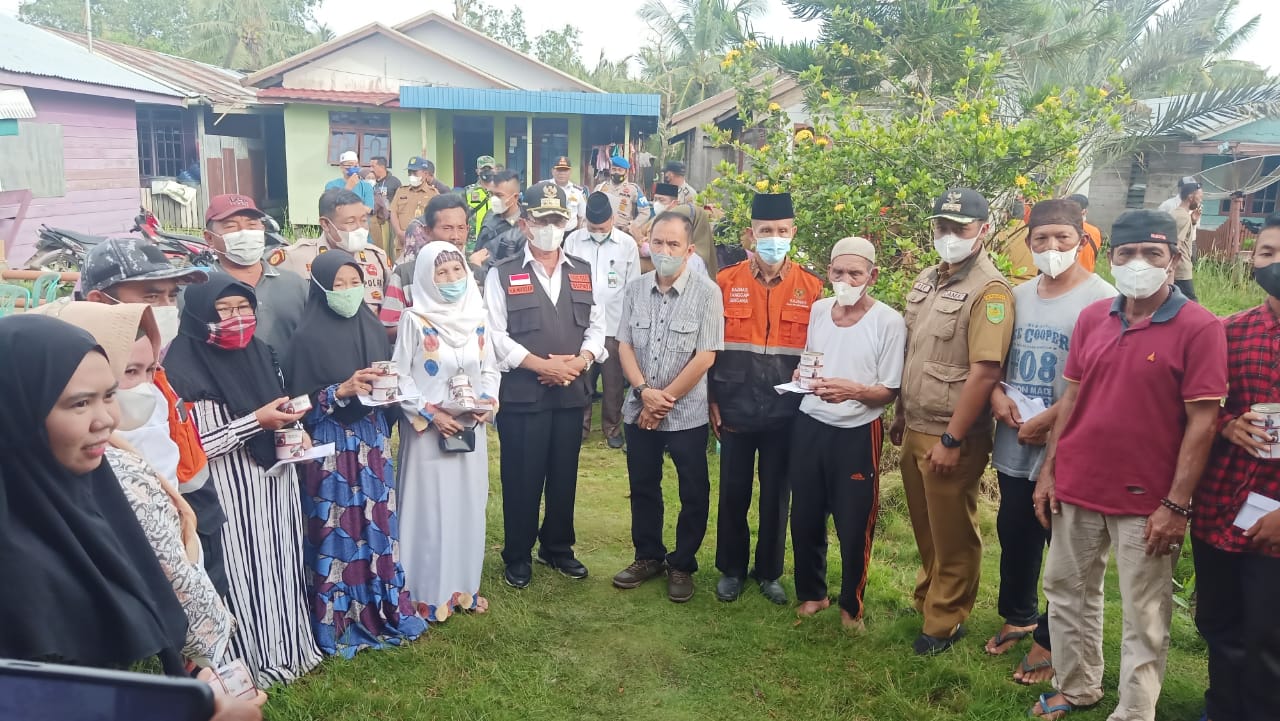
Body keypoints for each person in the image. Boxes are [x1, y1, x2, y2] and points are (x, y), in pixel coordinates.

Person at [1030, 208, 1227, 721]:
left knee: (1144, 610)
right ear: (1111, 258)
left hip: (1149, 499)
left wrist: (1176, 505)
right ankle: (1076, 686)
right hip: (1077, 483)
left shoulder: (1200, 327)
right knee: (1066, 591)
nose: (1138, 262)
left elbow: (1203, 423)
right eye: (1127, 253)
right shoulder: (1093, 318)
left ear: (1173, 259)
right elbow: (1071, 399)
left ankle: (1136, 710)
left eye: (1151, 253)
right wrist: (1049, 472)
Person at [39, 301, 236, 667]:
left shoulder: (121, 445)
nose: (105, 417)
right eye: (81, 402)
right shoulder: (118, 471)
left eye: (151, 370)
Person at [0, 314, 189, 674]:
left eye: (109, 396)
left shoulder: (96, 499)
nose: (106, 419)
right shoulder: (15, 569)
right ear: (15, 411)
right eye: (80, 403)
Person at [164, 276, 323, 687]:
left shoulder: (261, 352)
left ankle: (289, 650)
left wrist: (294, 431)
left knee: (280, 566)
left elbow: (279, 406)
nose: (236, 318)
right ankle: (247, 664)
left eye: (243, 308)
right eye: (224, 310)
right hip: (228, 493)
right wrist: (255, 422)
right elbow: (193, 447)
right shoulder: (179, 366)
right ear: (199, 314)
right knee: (241, 574)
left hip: (276, 485)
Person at [985, 200, 1116, 683]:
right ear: (1029, 242)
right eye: (1041, 238)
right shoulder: (1017, 296)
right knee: (1014, 531)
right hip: (1015, 439)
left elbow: (1101, 381)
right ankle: (1018, 614)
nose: (1052, 246)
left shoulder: (1103, 300)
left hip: (1069, 443)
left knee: (1063, 545)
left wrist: (1051, 419)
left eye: (1063, 237)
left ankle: (1051, 636)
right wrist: (996, 396)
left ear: (1082, 240)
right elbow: (995, 359)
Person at [281, 250, 426, 656]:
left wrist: (388, 389)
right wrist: (338, 391)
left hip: (371, 441)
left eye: (354, 283)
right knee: (336, 526)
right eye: (338, 285)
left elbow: (387, 383)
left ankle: (383, 607)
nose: (347, 291)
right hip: (331, 447)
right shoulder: (304, 340)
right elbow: (294, 405)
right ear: (320, 288)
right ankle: (339, 618)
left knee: (378, 524)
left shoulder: (372, 326)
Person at [889, 188, 1013, 655]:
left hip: (951, 431)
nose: (949, 235)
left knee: (954, 532)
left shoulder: (989, 290)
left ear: (983, 230)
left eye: (960, 228)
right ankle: (929, 597)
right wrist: (901, 412)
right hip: (917, 422)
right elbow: (915, 352)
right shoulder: (929, 278)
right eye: (942, 226)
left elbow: (985, 372)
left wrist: (952, 438)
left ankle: (946, 619)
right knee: (927, 526)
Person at [75, 238, 231, 597]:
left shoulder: (154, 368)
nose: (165, 308)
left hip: (190, 522)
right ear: (100, 301)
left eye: (171, 296)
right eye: (151, 296)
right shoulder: (77, 389)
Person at [484, 181, 607, 589]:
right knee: (522, 477)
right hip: (524, 395)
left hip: (571, 391)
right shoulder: (503, 274)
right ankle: (518, 554)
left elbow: (597, 327)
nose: (550, 228)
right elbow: (495, 335)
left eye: (557, 219)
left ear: (567, 223)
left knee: (563, 475)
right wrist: (541, 365)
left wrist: (581, 361)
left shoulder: (582, 272)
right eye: (542, 220)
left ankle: (557, 547)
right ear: (525, 223)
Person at [709, 192, 824, 605]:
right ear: (750, 234)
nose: (773, 237)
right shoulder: (725, 282)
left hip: (785, 411)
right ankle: (731, 569)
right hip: (735, 404)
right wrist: (712, 399)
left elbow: (818, 351)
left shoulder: (812, 288)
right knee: (733, 492)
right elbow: (710, 347)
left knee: (777, 496)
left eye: (781, 230)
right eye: (765, 231)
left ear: (792, 232)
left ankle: (770, 572)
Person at [789, 237, 906, 631]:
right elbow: (813, 359)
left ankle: (851, 606)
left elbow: (888, 390)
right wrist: (802, 377)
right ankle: (812, 593)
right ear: (828, 272)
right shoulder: (819, 310)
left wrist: (852, 391)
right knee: (805, 515)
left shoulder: (888, 322)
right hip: (810, 422)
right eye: (838, 272)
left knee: (855, 522)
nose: (846, 280)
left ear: (872, 276)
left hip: (857, 430)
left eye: (855, 273)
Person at [1190, 213, 1280, 721]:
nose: (1276, 263)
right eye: (1267, 253)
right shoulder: (1227, 332)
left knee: (1269, 633)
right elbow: (1197, 404)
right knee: (1219, 623)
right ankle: (1221, 709)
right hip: (1221, 504)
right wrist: (1226, 425)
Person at [610, 212, 724, 602]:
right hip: (639, 407)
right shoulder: (636, 289)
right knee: (643, 485)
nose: (664, 251)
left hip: (686, 414)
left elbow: (705, 356)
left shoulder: (707, 293)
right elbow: (624, 344)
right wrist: (644, 392)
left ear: (689, 250)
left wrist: (662, 401)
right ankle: (648, 556)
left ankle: (682, 563)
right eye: (657, 242)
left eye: (673, 244)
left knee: (693, 490)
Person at [394, 241, 500, 621]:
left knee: (467, 505)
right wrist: (431, 412)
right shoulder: (414, 320)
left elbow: (490, 369)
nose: (451, 279)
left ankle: (463, 589)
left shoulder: (478, 317)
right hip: (428, 433)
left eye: (457, 270)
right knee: (429, 509)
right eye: (441, 273)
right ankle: (424, 593)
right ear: (427, 277)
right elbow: (399, 376)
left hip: (469, 430)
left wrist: (487, 402)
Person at [564, 191, 640, 448]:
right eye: (593, 228)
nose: (597, 232)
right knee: (582, 380)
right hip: (581, 325)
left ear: (612, 220)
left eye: (602, 228)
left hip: (614, 325)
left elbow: (633, 288)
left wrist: (629, 328)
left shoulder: (627, 245)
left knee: (613, 383)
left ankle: (612, 428)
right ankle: (580, 427)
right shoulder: (573, 241)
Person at [201, 194, 307, 354]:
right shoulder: (200, 291)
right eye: (231, 226)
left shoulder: (295, 284)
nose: (244, 233)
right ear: (209, 238)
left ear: (263, 230)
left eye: (252, 225)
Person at [271, 189, 390, 316]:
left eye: (363, 220)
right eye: (350, 222)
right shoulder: (295, 258)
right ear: (326, 224)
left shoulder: (377, 258)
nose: (360, 228)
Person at [382, 193, 471, 338]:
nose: (455, 236)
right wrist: (430, 327)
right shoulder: (405, 275)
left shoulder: (475, 274)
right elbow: (389, 329)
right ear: (427, 231)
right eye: (447, 228)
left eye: (461, 228)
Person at [638, 183, 715, 278]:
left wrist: (645, 248)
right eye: (655, 199)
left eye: (661, 200)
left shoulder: (693, 258)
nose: (656, 203)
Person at [473, 169, 527, 277]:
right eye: (491, 194)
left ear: (515, 197)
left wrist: (477, 267)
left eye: (499, 195)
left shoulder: (524, 228)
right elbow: (478, 248)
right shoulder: (489, 215)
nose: (494, 199)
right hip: (478, 279)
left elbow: (518, 271)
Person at [389, 157, 441, 257]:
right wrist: (399, 232)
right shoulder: (401, 191)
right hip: (402, 242)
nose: (411, 175)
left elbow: (438, 218)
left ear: (425, 174)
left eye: (415, 172)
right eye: (409, 172)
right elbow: (393, 212)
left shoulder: (433, 194)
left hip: (424, 243)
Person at [593, 156, 649, 234]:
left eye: (620, 170)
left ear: (626, 172)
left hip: (623, 231)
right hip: (602, 230)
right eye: (614, 169)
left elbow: (645, 212)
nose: (616, 172)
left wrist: (631, 226)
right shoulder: (600, 188)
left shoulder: (634, 189)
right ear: (610, 170)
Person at [1169, 180, 1203, 301]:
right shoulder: (1183, 217)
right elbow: (1175, 245)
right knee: (1192, 304)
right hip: (1181, 270)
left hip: (1178, 269)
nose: (1200, 201)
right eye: (1199, 197)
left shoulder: (1176, 213)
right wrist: (1171, 272)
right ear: (1190, 197)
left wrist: (1192, 222)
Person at [369, 156, 401, 257]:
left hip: (389, 221)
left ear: (382, 167)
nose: (371, 169)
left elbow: (399, 201)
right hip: (373, 220)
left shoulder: (394, 182)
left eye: (373, 166)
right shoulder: (370, 181)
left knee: (389, 247)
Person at [546, 155, 588, 230]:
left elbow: (581, 216)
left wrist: (578, 233)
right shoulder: (544, 188)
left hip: (570, 232)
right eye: (559, 170)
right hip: (549, 232)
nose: (562, 173)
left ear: (570, 171)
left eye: (565, 170)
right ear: (552, 171)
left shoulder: (578, 191)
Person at [464, 154, 497, 245]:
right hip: (473, 241)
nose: (487, 172)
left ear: (495, 170)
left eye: (489, 169)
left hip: (495, 241)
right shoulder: (468, 191)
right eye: (483, 169)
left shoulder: (501, 191)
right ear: (477, 171)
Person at [1066, 194, 1102, 273]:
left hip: (1066, 277)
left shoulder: (1060, 229)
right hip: (1086, 276)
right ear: (1084, 212)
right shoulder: (1095, 231)